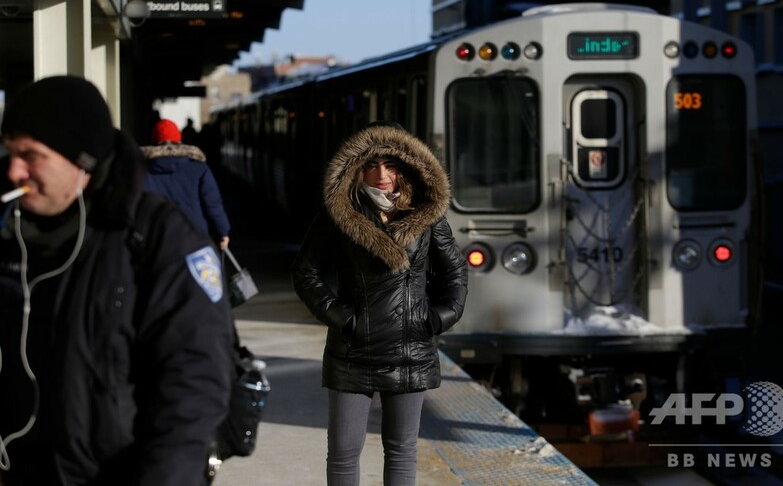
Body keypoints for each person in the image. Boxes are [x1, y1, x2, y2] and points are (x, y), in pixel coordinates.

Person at [0, 76, 233, 485]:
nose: (14, 169)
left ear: (83, 161)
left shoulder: (160, 238)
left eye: (31, 155)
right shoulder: (12, 236)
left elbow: (193, 386)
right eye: (9, 153)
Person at [291, 121, 468, 486]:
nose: (382, 175)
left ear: (407, 168)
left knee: (402, 451)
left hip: (411, 347)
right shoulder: (340, 214)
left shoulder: (427, 214)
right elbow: (305, 273)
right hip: (352, 349)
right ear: (357, 169)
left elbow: (456, 273)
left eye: (391, 166)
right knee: (343, 453)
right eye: (372, 165)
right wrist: (342, 318)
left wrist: (436, 319)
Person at [141, 118, 231, 250]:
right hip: (194, 236)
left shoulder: (140, 170)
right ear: (179, 140)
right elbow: (212, 204)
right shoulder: (198, 167)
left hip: (155, 240)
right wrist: (222, 231)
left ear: (153, 141)